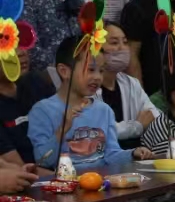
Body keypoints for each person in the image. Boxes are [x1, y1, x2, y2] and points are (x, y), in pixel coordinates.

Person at [28, 36, 153, 169]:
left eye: (101, 70)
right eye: (91, 70)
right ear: (64, 71)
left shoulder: (104, 110)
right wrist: (62, 130)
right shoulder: (42, 111)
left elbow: (111, 155)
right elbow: (42, 160)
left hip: (102, 180)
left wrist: (132, 154)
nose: (98, 77)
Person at [96, 22, 160, 150]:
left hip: (135, 154)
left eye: (125, 42)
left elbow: (153, 115)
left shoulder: (131, 83)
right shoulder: (88, 86)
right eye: (114, 43)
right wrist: (137, 126)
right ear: (96, 48)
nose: (122, 48)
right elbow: (100, 131)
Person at [0, 46, 54, 167]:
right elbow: (22, 170)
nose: (21, 52)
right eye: (7, 47)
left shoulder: (36, 82)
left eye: (21, 45)